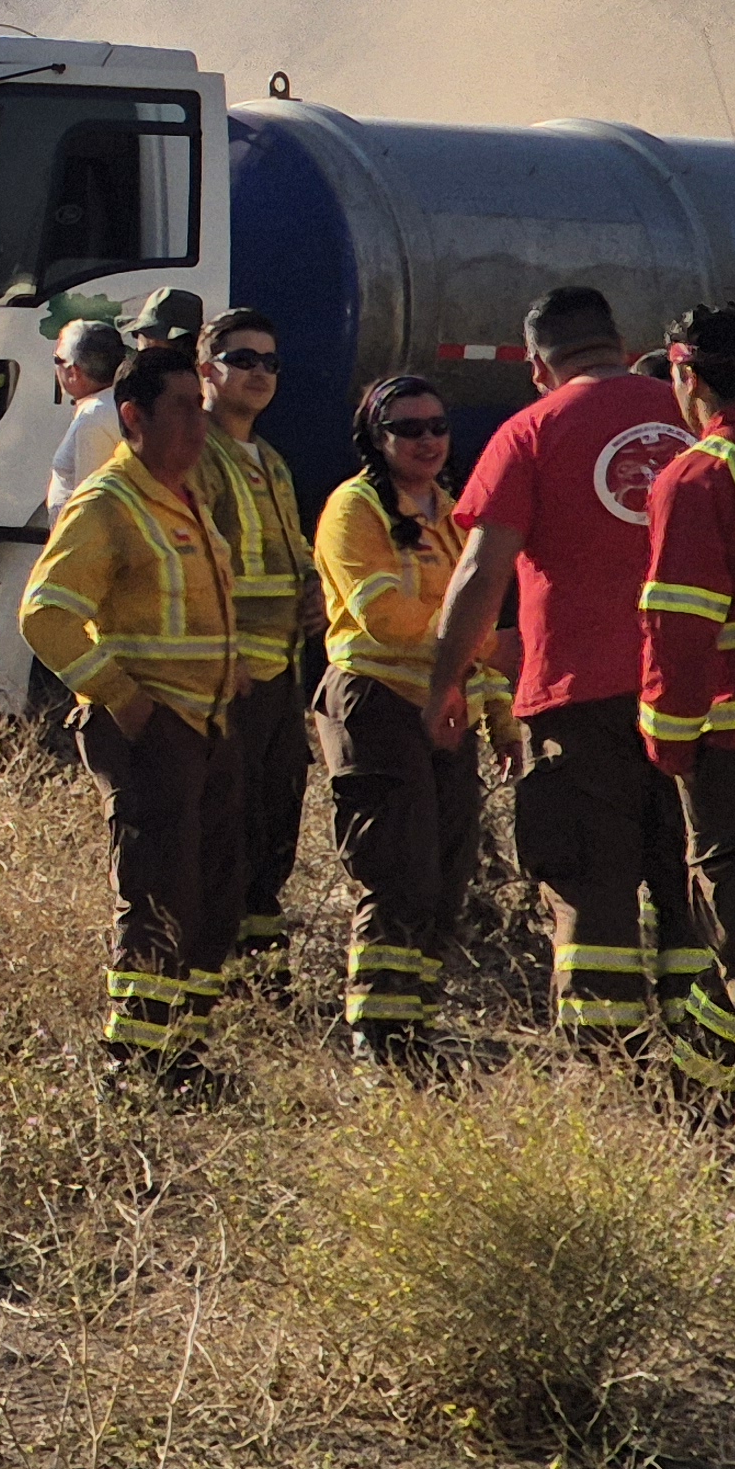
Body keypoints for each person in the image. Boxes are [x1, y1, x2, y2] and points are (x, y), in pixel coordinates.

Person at [423, 283, 702, 1053]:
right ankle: (704, 1057)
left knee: (590, 881)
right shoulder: (687, 416)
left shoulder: (531, 431)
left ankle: (606, 1062)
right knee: (692, 878)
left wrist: (446, 679)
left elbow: (483, 570)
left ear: (538, 366)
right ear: (621, 341)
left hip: (580, 699)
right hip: (696, 694)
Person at [22, 340, 240, 1069]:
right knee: (153, 896)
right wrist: (121, 698)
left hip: (202, 730)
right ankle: (135, 1061)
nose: (197, 425)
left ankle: (178, 1053)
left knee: (195, 894)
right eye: (181, 409)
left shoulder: (186, 497)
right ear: (132, 417)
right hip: (151, 736)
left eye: (200, 410)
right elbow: (44, 615)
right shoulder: (108, 502)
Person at [314, 374, 509, 1063]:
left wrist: (499, 718)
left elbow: (470, 624)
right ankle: (378, 1036)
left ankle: (415, 1025)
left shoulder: (449, 511)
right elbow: (385, 618)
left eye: (437, 426)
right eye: (407, 428)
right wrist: (485, 646)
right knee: (397, 871)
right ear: (376, 437)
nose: (427, 440)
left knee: (447, 874)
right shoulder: (353, 507)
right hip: (376, 703)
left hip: (447, 711)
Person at [640, 304, 735, 1096]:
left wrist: (667, 744)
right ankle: (696, 1092)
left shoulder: (698, 475)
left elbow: (679, 625)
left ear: (683, 372)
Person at [196, 307, 321, 974]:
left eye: (270, 362)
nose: (260, 373)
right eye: (243, 359)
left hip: (280, 675)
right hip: (227, 676)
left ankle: (264, 967)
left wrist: (313, 589)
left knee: (276, 829)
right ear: (206, 369)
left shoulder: (269, 459)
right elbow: (196, 566)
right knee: (228, 832)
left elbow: (294, 550)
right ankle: (223, 969)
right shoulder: (197, 452)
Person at [48, 320, 130, 502]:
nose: (55, 368)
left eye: (57, 359)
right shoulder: (117, 402)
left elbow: (90, 499)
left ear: (74, 372)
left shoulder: (93, 418)